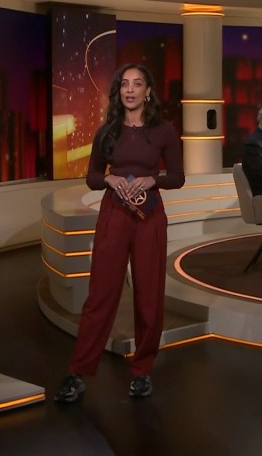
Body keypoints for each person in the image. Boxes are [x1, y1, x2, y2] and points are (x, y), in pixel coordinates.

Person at [56, 63, 184, 402]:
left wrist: (153, 179)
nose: (130, 90)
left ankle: (142, 371)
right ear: (119, 91)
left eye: (137, 84)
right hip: (114, 214)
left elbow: (178, 177)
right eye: (125, 84)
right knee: (101, 294)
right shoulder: (107, 131)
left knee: (149, 296)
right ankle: (77, 371)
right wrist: (109, 178)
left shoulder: (163, 131)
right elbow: (92, 177)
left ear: (148, 91)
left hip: (149, 216)